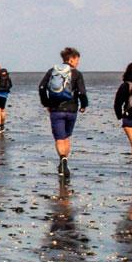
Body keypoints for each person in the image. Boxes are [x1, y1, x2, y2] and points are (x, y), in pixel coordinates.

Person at [38, 47, 88, 179]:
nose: (78, 63)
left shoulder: (52, 71)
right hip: (71, 110)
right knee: (66, 136)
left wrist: (46, 103)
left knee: (59, 138)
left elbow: (42, 87)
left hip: (56, 109)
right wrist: (84, 105)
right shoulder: (76, 74)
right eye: (77, 60)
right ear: (71, 59)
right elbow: (82, 92)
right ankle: (65, 161)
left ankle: (62, 159)